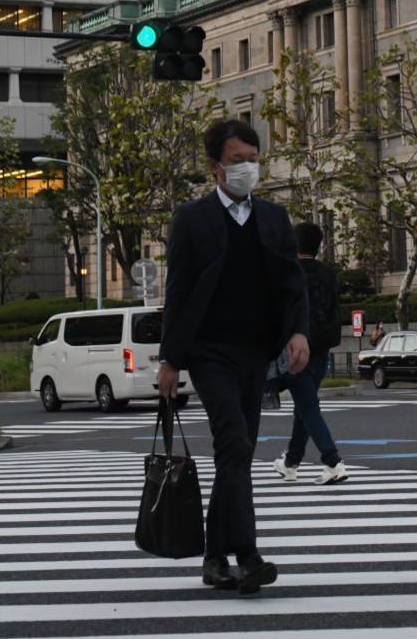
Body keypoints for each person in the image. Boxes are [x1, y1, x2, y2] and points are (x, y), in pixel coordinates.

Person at [156, 119, 311, 596]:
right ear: (215, 167)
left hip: (254, 352)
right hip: (208, 353)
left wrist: (299, 332)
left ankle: (213, 558)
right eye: (237, 160)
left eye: (252, 159)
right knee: (235, 445)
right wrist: (170, 360)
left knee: (235, 455)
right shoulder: (192, 219)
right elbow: (178, 291)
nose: (247, 168)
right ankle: (248, 556)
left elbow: (291, 284)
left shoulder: (272, 217)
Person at [272, 221, 349, 485]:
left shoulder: (288, 272)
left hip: (295, 348)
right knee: (305, 406)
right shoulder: (328, 273)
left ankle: (333, 461)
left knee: (307, 406)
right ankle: (291, 462)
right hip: (322, 347)